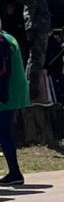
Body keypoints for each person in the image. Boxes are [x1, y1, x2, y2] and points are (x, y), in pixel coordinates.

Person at [10, 0, 52, 104]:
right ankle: (29, 94)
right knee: (35, 60)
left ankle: (31, 93)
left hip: (40, 24)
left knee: (38, 60)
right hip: (36, 24)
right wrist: (33, 5)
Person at [0, 22, 29, 186]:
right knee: (4, 132)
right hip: (13, 90)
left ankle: (15, 173)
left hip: (5, 92)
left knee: (4, 132)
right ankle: (14, 172)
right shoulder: (8, 38)